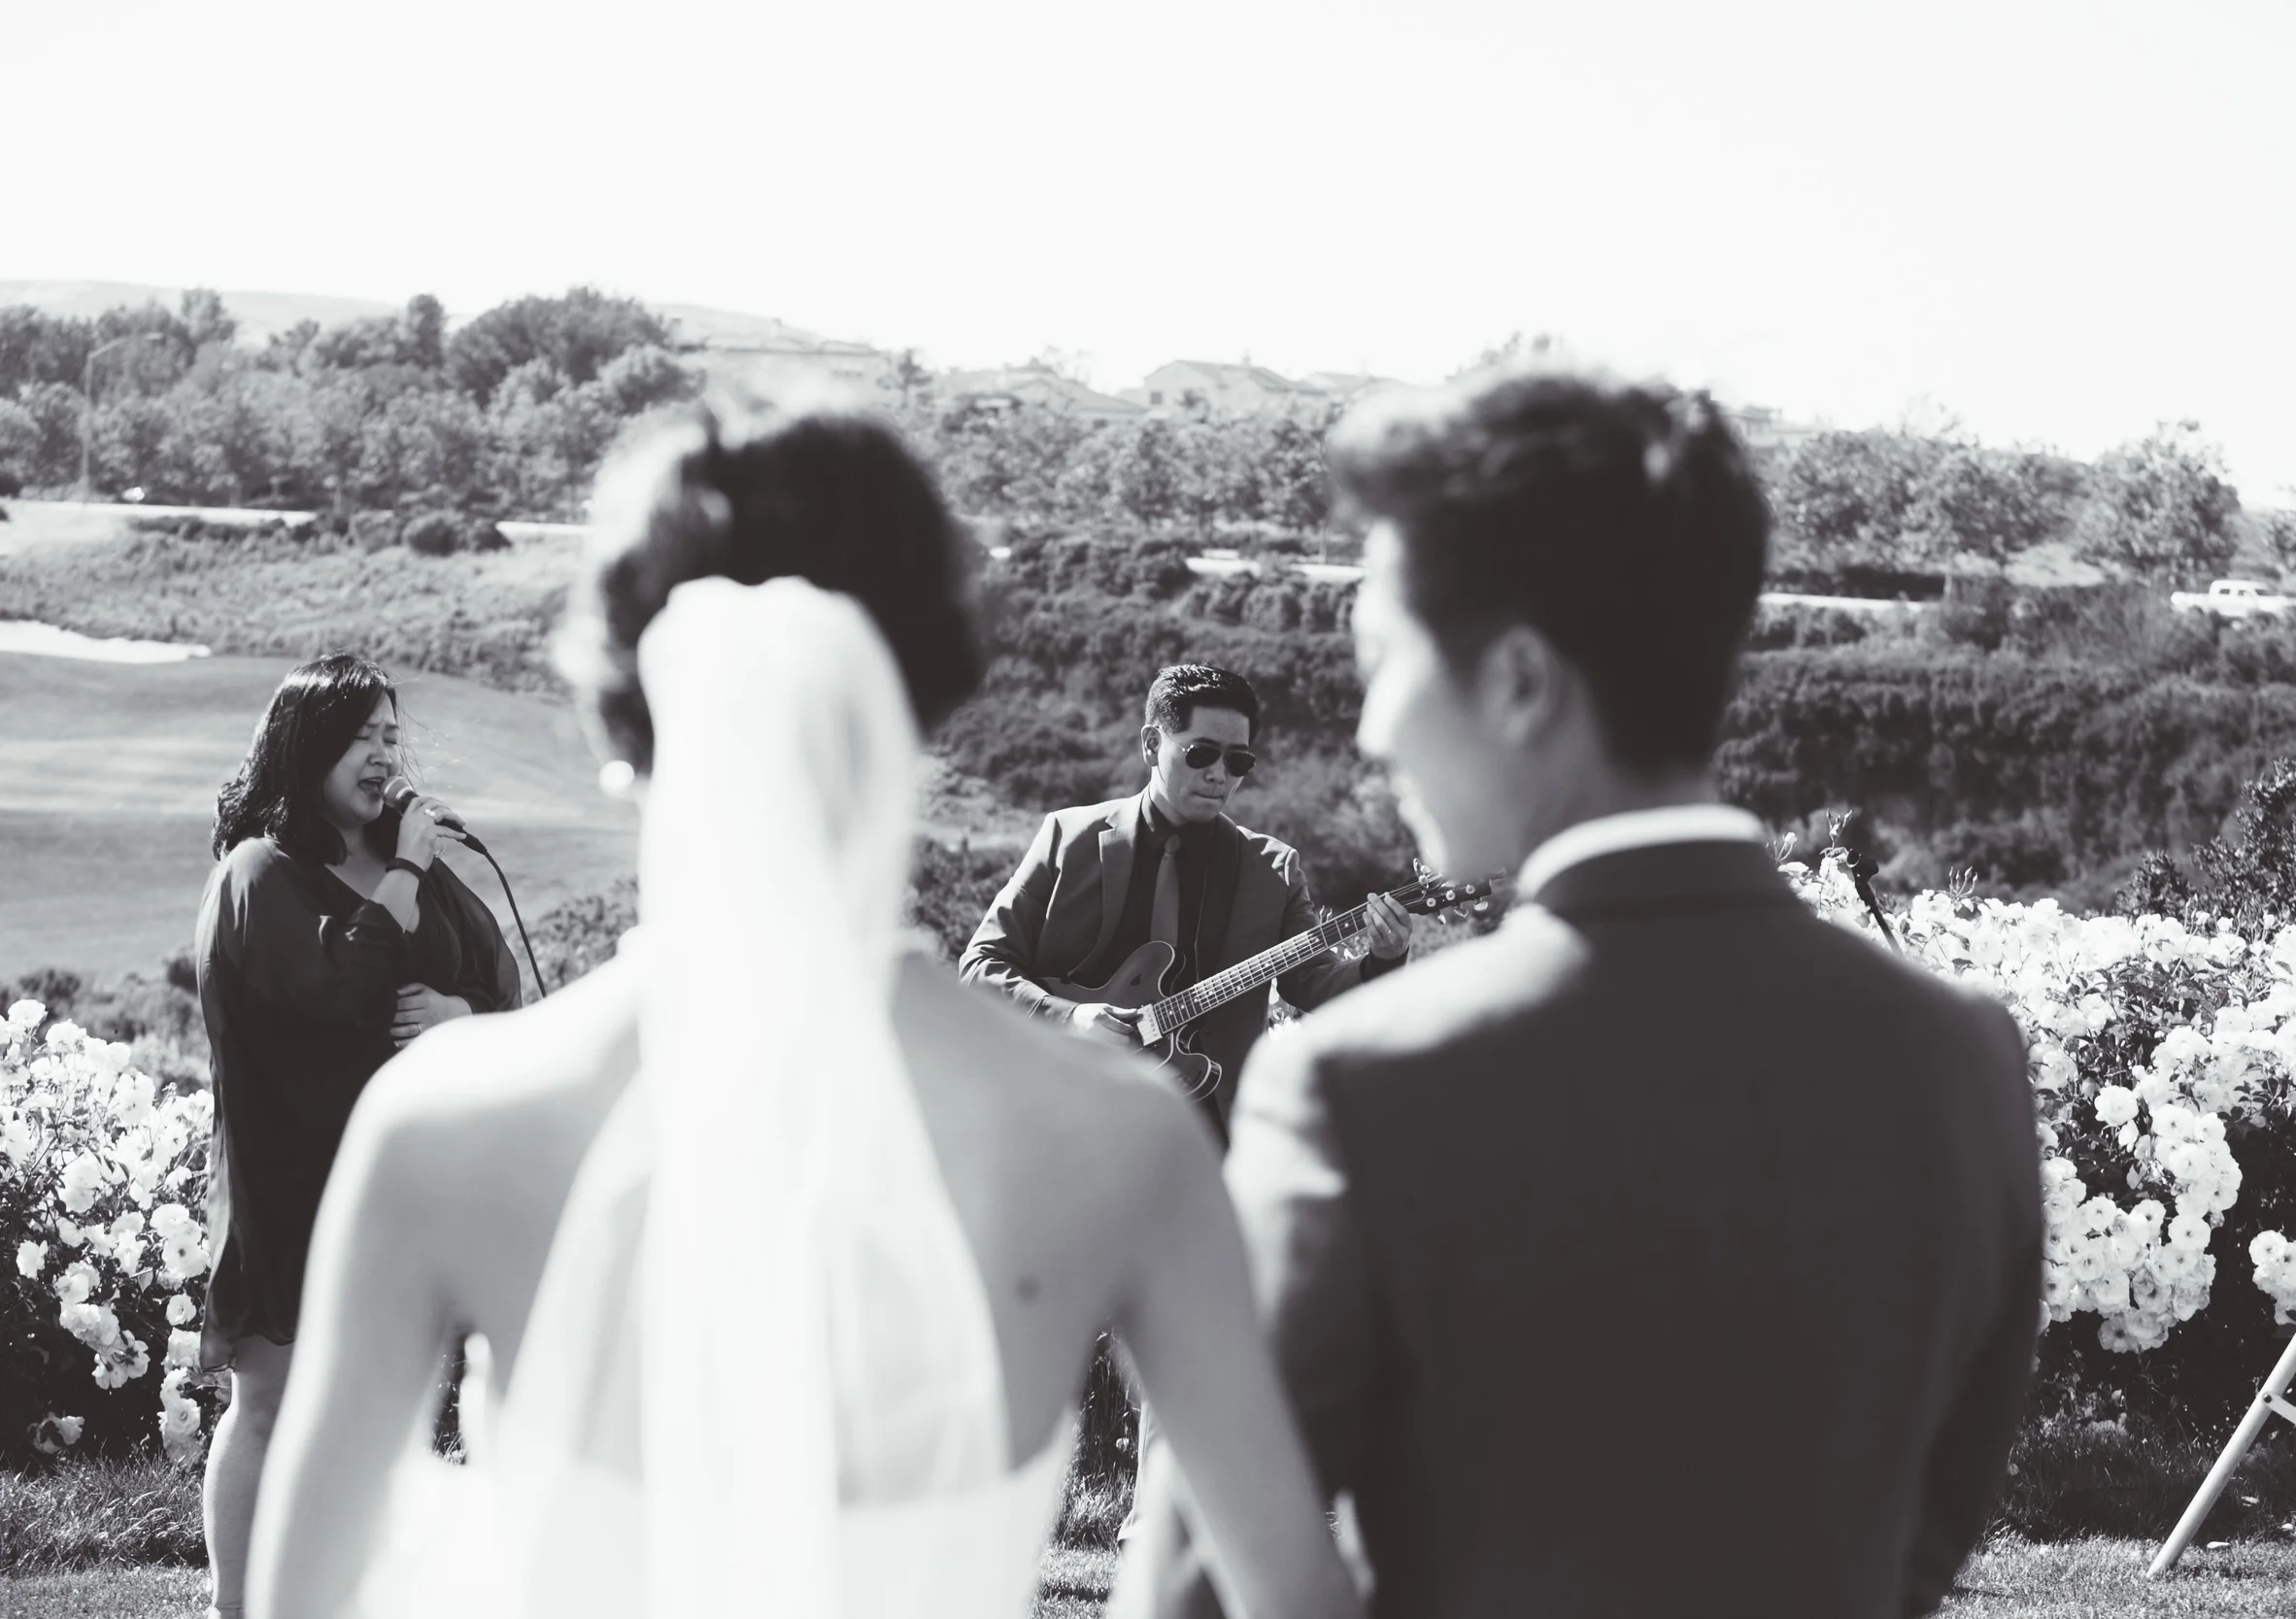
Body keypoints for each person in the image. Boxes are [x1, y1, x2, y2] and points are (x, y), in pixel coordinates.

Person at [245, 396, 1362, 1619]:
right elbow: (1290, 1591)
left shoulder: (444, 1114)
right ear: (922, 707)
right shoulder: (1119, 1134)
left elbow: (301, 1595)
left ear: (617, 719)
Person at [1120, 367, 2043, 1619]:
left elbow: (1193, 1584)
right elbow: (1928, 1534)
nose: (1374, 731)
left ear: (1518, 680)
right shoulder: (1963, 1053)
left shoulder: (1362, 1080)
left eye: (1384, 663)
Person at [193, 654, 520, 1619]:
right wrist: (407, 870)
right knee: (270, 1404)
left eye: (391, 735)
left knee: (388, 1409)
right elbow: (334, 993)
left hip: (409, 1181)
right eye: (361, 738)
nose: (384, 756)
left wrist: (460, 1011)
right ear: (308, 749)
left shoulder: (414, 864)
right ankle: (237, 1605)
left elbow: (497, 982)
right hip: (292, 1176)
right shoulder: (259, 872)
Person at [960, 661, 1414, 1141]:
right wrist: (1068, 1016)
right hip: (1064, 1110)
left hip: (1204, 1131)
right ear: (1151, 744)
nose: (1219, 775)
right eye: (1201, 754)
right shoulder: (1067, 836)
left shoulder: (1273, 869)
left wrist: (1382, 960)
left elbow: (1312, 982)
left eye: (1238, 762)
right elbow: (981, 964)